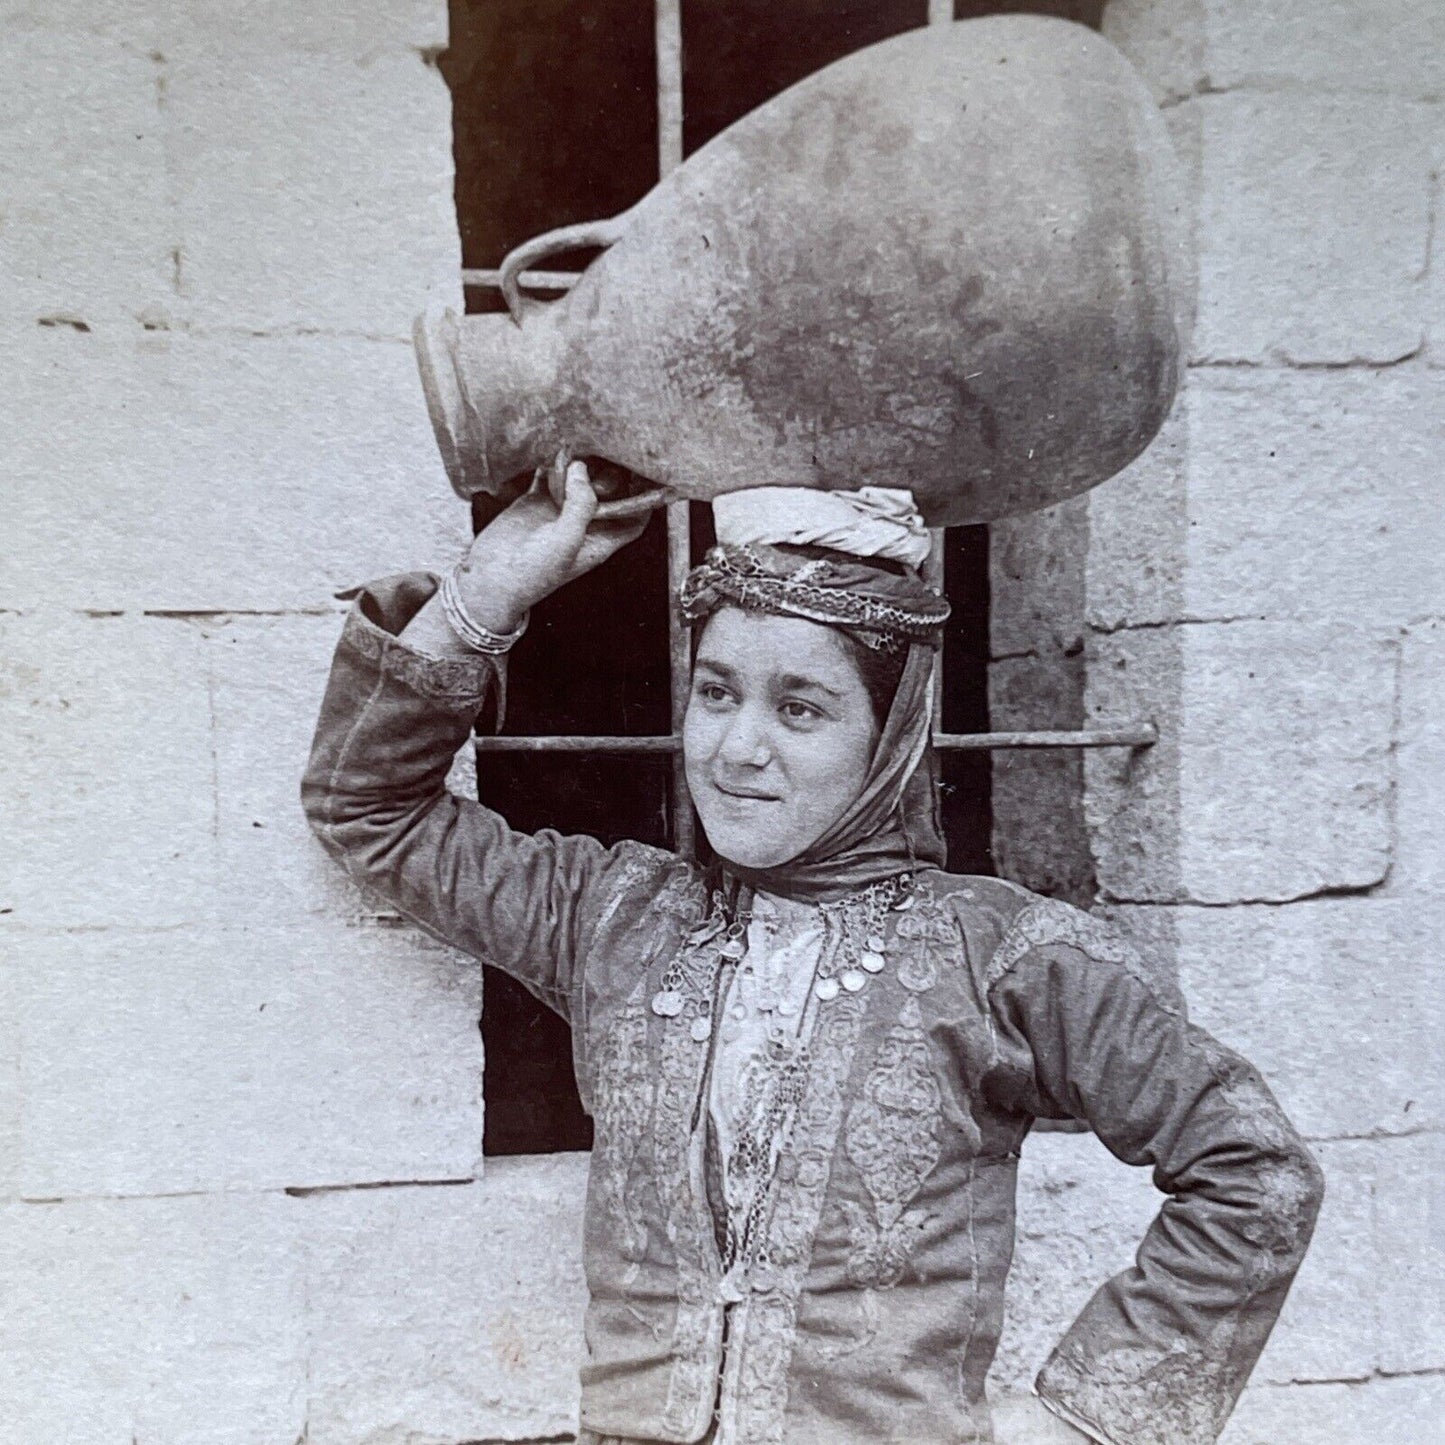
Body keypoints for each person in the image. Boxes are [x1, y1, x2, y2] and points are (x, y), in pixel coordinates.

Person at [302, 460, 1323, 1445]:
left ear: (888, 734)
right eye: (714, 691)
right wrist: (491, 589)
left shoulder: (1007, 955)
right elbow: (367, 803)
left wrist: (1085, 1416)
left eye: (799, 707)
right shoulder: (613, 916)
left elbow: (1253, 1170)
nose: (738, 746)